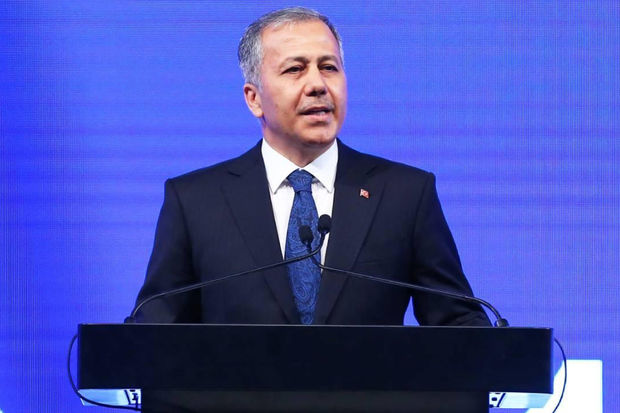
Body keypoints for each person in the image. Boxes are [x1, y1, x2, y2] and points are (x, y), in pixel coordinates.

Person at [132, 7, 490, 327]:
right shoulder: (196, 201)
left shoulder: (404, 194)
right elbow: (154, 330)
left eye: (329, 67)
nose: (318, 85)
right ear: (254, 99)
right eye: (295, 69)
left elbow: (458, 322)